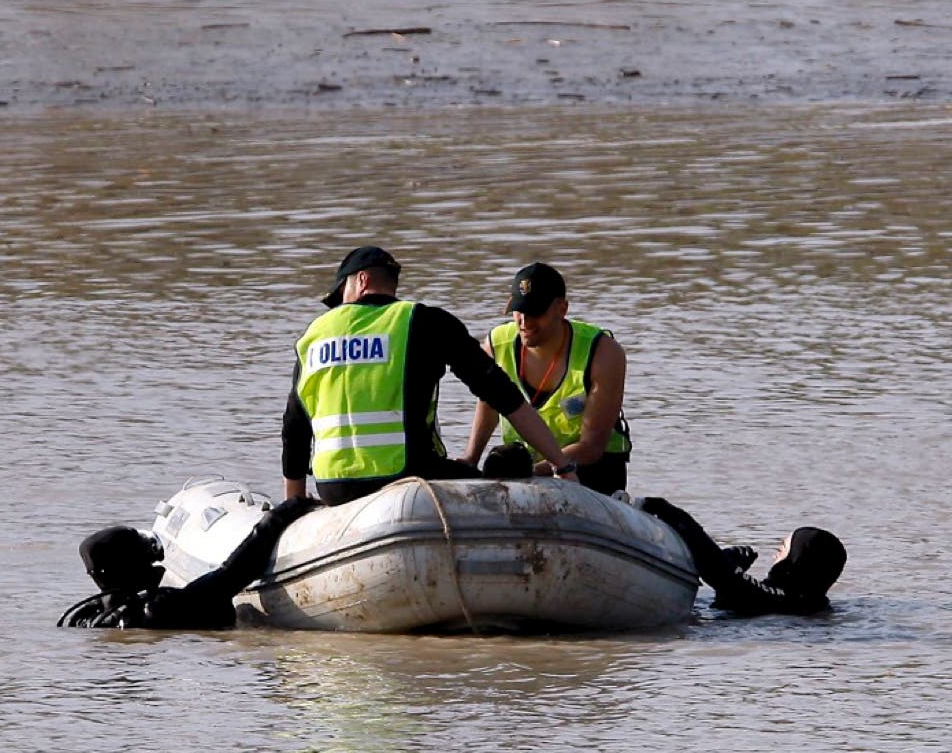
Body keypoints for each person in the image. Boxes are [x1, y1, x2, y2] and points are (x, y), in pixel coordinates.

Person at [281, 246, 579, 506]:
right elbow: (503, 395)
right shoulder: (424, 322)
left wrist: (294, 505)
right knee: (508, 466)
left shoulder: (313, 337)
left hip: (334, 489)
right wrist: (562, 464)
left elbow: (294, 428)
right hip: (410, 480)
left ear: (361, 280)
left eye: (339, 295)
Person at [461, 262, 632, 496]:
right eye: (519, 311)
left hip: (590, 470)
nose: (525, 322)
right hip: (524, 468)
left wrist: (532, 472)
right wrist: (471, 460)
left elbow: (592, 447)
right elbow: (489, 405)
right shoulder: (496, 345)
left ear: (562, 308)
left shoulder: (604, 353)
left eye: (536, 312)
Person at [58, 496, 315, 629]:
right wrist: (282, 514)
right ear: (132, 565)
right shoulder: (161, 607)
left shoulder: (83, 616)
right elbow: (234, 573)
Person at [634, 495, 847, 615]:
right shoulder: (808, 603)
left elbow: (721, 575)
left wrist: (668, 512)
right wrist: (732, 566)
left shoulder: (787, 600)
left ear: (797, 560)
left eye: (782, 549)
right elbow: (732, 582)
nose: (775, 556)